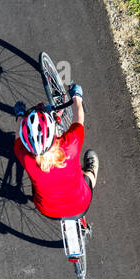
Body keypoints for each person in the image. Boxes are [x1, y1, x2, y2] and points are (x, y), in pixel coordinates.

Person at [13, 83, 99, 226]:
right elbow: (79, 119)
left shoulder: (25, 156)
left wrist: (21, 115)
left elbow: (18, 135)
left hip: (48, 211)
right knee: (88, 174)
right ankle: (90, 170)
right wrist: (77, 97)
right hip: (81, 205)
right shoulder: (70, 145)